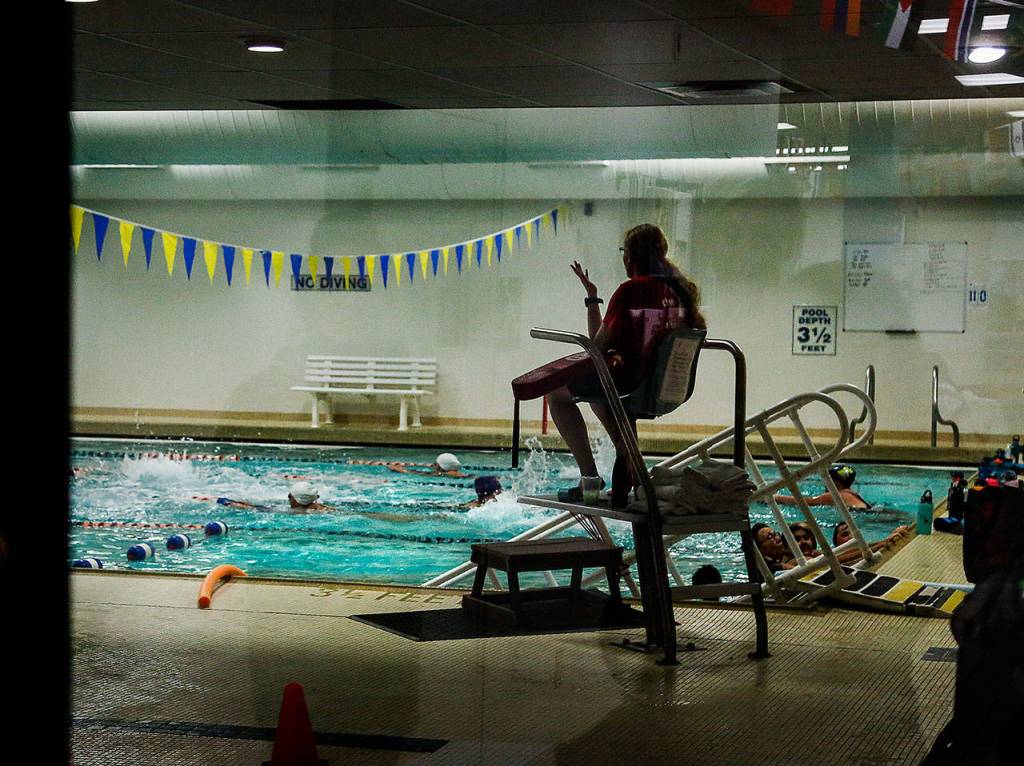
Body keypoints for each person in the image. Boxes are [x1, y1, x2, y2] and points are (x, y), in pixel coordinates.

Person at [546, 223, 707, 505]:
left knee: (556, 392)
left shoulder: (630, 291)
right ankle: (631, 465)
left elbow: (595, 348)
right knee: (599, 394)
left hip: (633, 384)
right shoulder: (682, 291)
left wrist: (593, 302)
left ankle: (590, 476)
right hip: (667, 390)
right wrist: (593, 297)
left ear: (630, 256)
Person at [773, 464, 872, 510]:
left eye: (827, 480)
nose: (825, 483)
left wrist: (775, 498)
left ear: (836, 483)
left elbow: (806, 502)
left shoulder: (835, 495)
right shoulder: (852, 495)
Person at [831, 520, 911, 564]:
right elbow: (837, 557)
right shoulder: (828, 559)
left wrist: (887, 540)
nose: (851, 537)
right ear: (836, 544)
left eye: (854, 533)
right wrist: (880, 544)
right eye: (845, 534)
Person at [349, 453, 470, 478]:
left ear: (440, 466)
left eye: (436, 464)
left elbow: (423, 474)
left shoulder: (442, 475)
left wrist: (403, 471)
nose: (434, 465)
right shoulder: (465, 475)